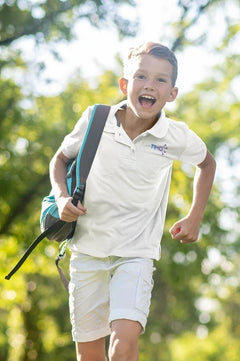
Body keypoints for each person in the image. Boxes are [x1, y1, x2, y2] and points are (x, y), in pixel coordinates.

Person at [49, 42, 216, 361]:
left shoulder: (174, 135)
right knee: (90, 355)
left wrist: (195, 216)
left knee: (123, 345)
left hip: (136, 254)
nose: (150, 84)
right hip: (87, 251)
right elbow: (60, 158)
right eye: (141, 76)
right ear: (125, 84)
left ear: (172, 94)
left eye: (161, 80)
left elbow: (207, 164)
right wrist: (61, 197)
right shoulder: (96, 118)